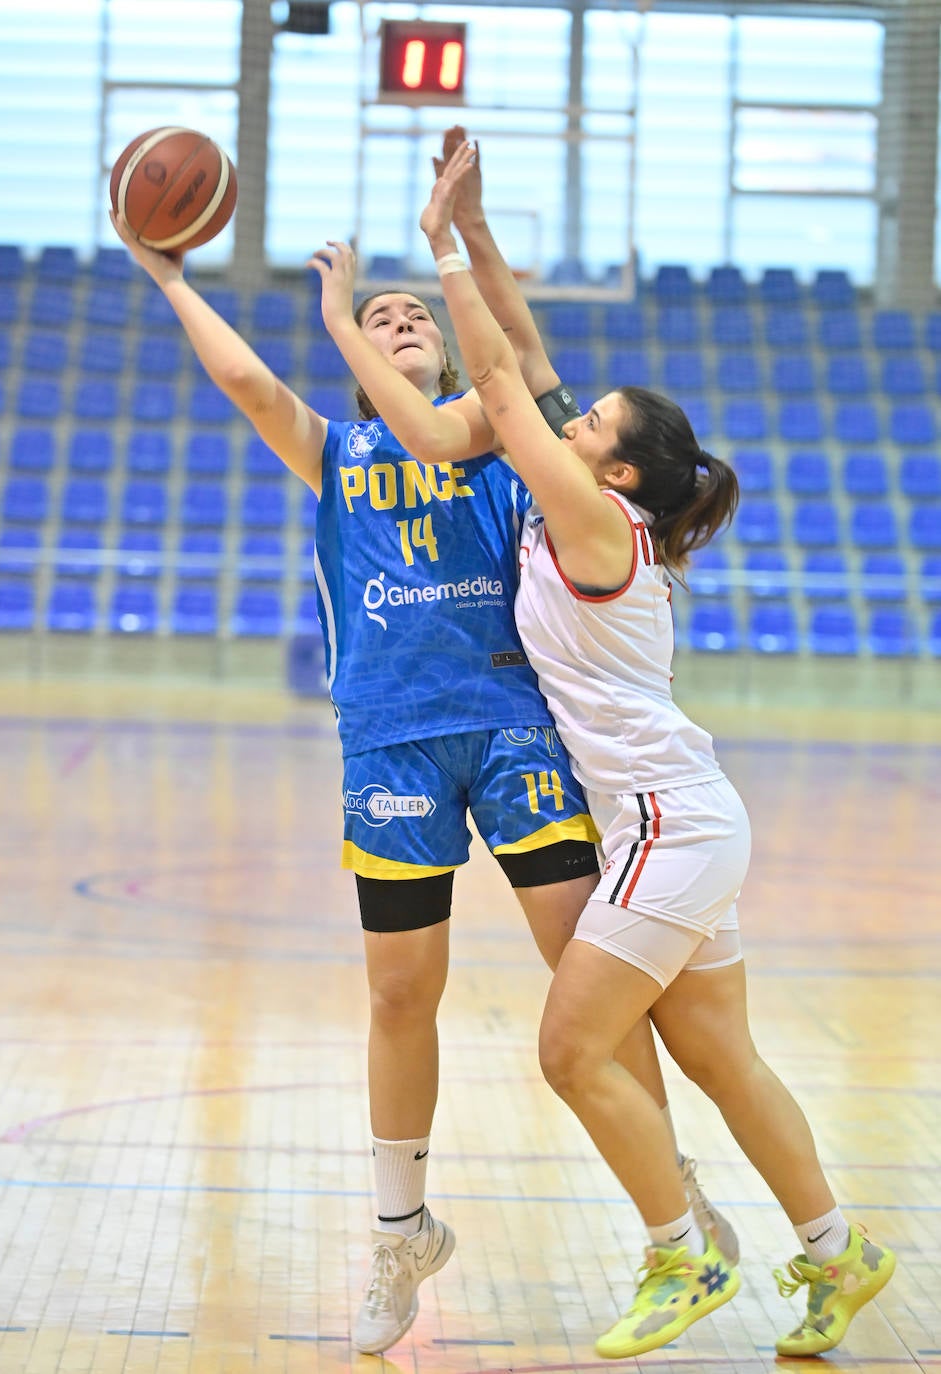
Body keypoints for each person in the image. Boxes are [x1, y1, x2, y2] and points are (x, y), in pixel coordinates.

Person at [109, 126, 734, 1358]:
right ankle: (401, 1230)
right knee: (401, 993)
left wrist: (454, 244)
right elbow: (247, 386)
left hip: (514, 733)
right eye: (378, 316)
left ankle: (680, 1206)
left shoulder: (507, 446)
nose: (398, 319)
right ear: (357, 368)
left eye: (413, 316)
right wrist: (171, 274)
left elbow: (507, 350)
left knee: (586, 992)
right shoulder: (336, 450)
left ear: (444, 353)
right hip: (389, 744)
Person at [332, 137, 897, 1363]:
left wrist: (438, 249)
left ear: (618, 468)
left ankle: (675, 1255)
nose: (563, 415)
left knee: (570, 1049)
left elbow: (490, 369)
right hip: (686, 817)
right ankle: (837, 1249)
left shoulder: (589, 516)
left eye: (583, 422)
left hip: (662, 827)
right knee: (717, 1057)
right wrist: (475, 232)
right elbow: (522, 359)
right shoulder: (586, 496)